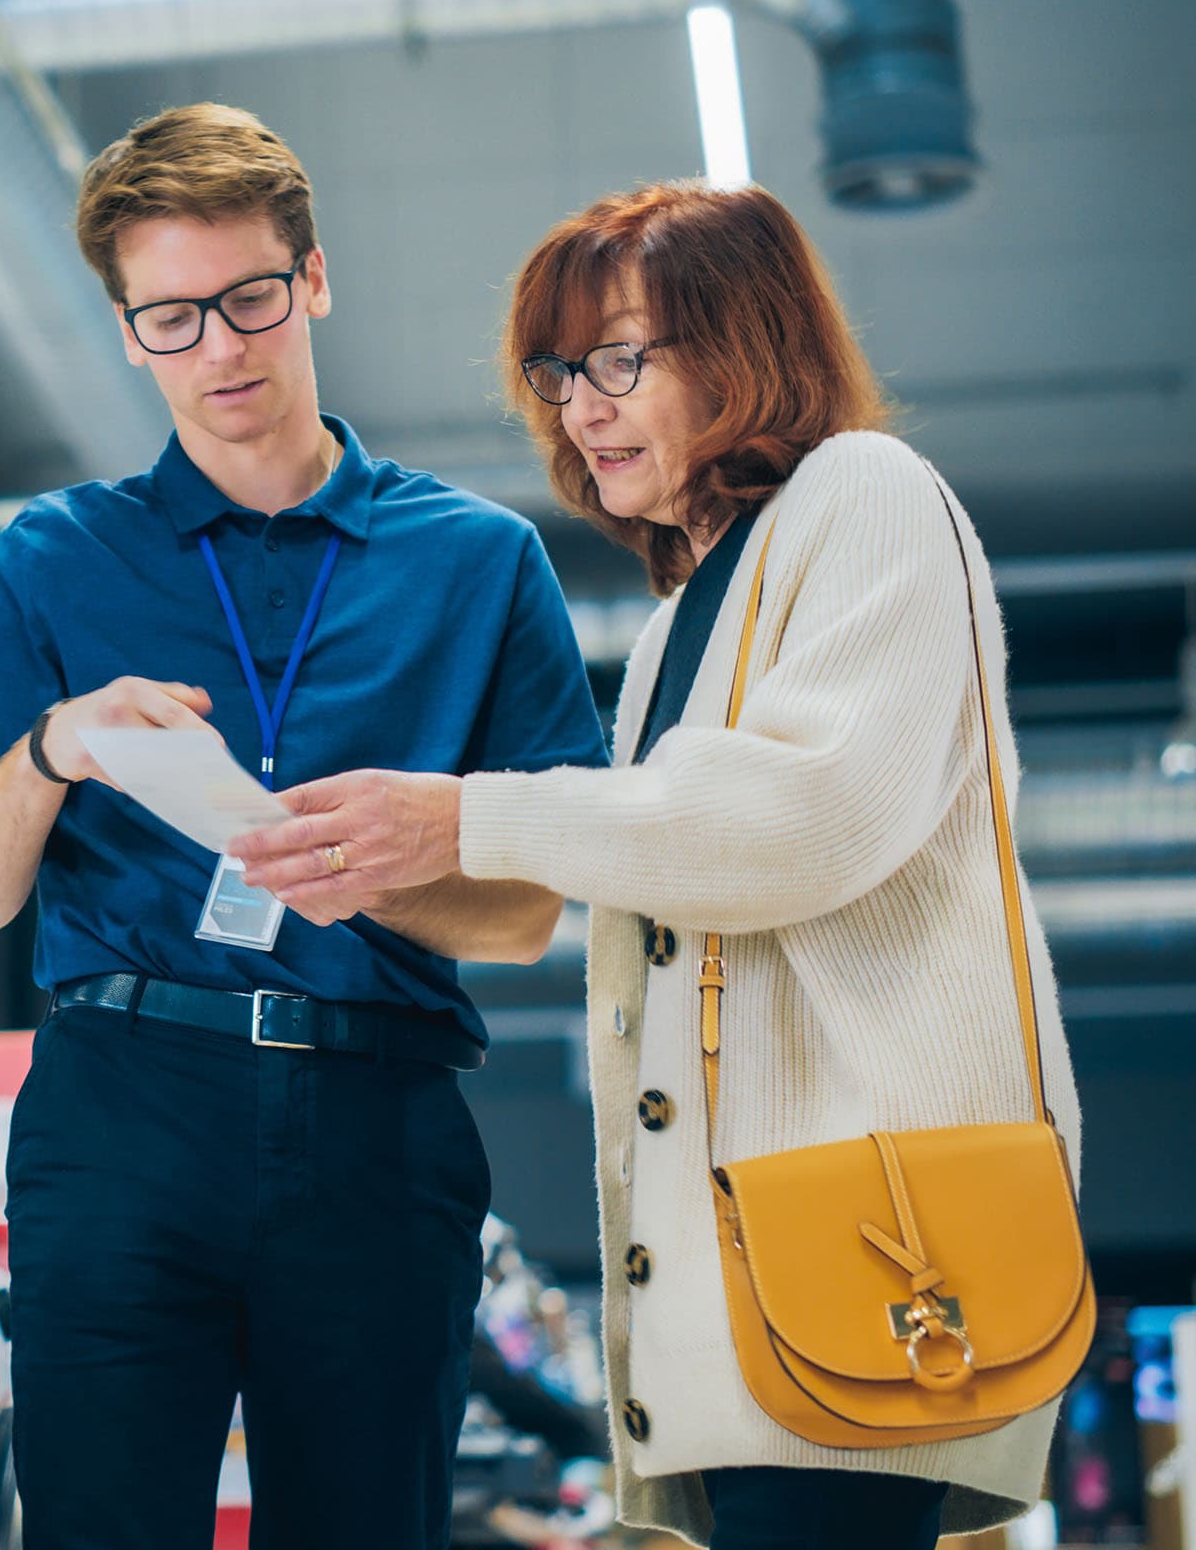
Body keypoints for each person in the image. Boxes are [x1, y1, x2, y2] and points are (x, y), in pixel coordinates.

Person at [230, 180, 1083, 1550]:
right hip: (775, 1283)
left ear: (747, 348)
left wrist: (467, 817)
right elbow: (681, 859)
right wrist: (380, 865)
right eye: (559, 373)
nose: (584, 407)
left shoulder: (865, 494)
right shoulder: (695, 603)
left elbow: (805, 818)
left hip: (869, 1249)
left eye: (622, 359)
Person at [0, 102, 610, 1549]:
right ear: (126, 331)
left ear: (315, 281)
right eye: (171, 318)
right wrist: (56, 745)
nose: (219, 349)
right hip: (122, 1105)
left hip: (378, 1115)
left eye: (248, 300)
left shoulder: (479, 564)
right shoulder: (58, 556)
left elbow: (530, 913)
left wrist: (381, 874)